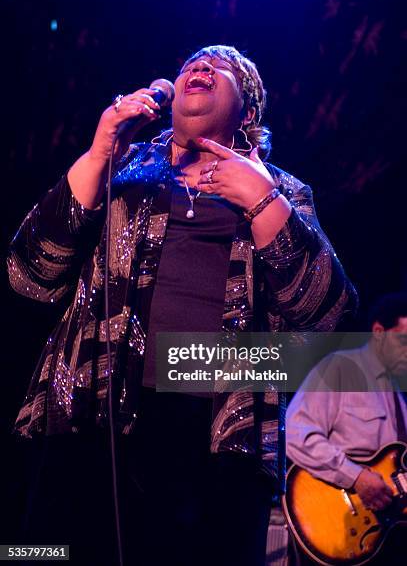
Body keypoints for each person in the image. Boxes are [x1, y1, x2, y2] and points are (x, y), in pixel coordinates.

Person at [8, 45, 357, 566]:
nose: (200, 68)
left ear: (249, 111)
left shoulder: (282, 189)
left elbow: (328, 315)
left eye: (222, 68)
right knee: (49, 552)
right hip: (97, 412)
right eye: (192, 63)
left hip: (218, 433)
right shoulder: (121, 167)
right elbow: (28, 275)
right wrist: (100, 151)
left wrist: (261, 200)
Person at [286, 292, 407, 564]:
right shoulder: (341, 367)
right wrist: (356, 477)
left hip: (382, 537)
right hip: (334, 519)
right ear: (378, 332)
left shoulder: (399, 396)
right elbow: (295, 434)